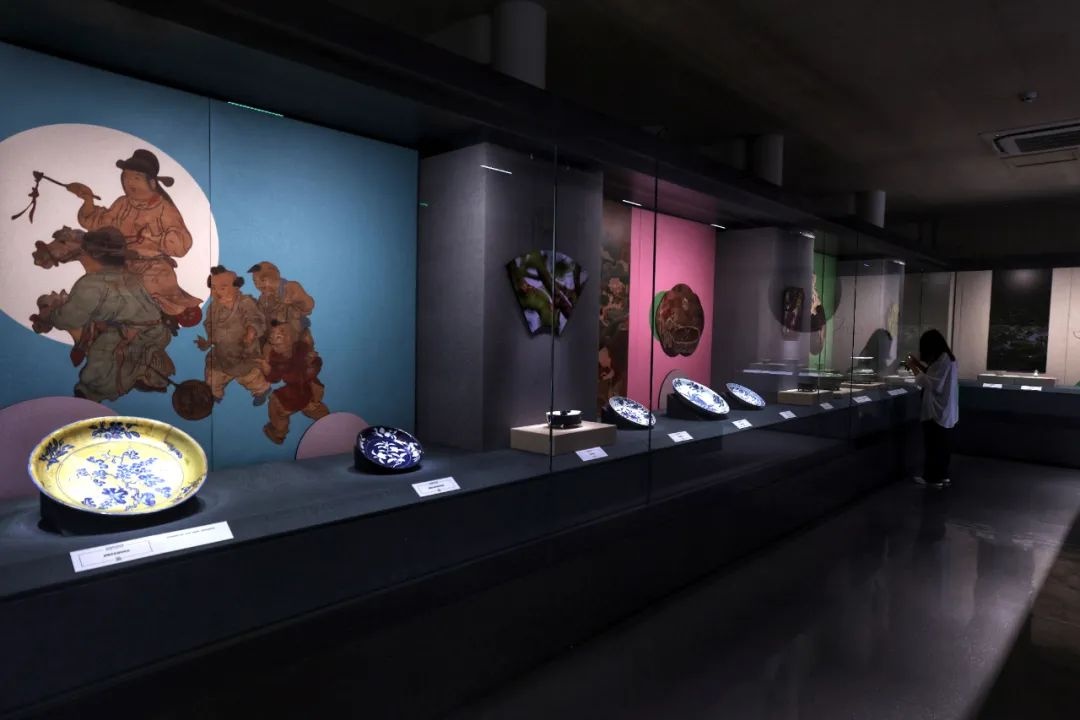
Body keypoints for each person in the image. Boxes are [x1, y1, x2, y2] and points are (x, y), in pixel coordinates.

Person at [29, 227, 173, 401]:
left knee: (99, 358)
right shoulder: (125, 275)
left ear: (91, 252)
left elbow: (68, 318)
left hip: (139, 333)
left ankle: (91, 393)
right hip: (156, 329)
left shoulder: (90, 284)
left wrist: (51, 315)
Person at [66, 149, 203, 327]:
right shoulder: (122, 203)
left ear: (152, 183)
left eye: (136, 178)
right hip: (120, 263)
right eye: (126, 178)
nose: (129, 182)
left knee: (142, 293)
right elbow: (98, 223)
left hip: (152, 267)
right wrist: (88, 200)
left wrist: (154, 238)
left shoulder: (164, 209)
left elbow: (181, 245)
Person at [905, 329, 959, 488]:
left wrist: (913, 367)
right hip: (946, 411)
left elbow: (932, 383)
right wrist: (917, 364)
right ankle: (942, 476)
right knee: (943, 447)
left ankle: (932, 478)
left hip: (937, 411)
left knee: (933, 446)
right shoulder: (948, 358)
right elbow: (933, 373)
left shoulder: (943, 360)